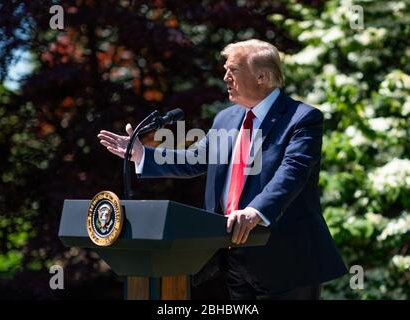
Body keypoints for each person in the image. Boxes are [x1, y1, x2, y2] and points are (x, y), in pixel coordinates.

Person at [98, 39, 347, 300]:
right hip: (234, 261)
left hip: (286, 260)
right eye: (225, 70)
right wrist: (142, 154)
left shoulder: (302, 118)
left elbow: (292, 172)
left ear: (261, 76)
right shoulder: (226, 118)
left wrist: (255, 211)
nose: (225, 77)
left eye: (233, 70)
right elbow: (195, 159)